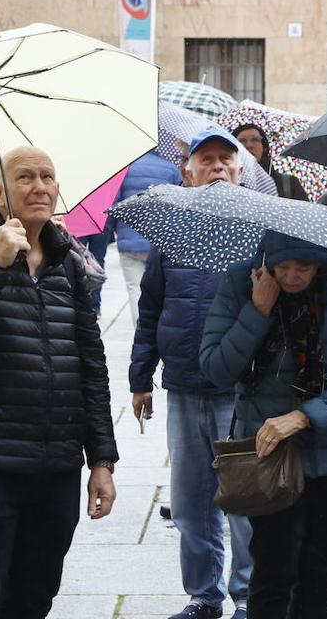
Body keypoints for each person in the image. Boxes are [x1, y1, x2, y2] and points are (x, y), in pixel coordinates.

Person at [0, 146, 118, 617]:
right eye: (25, 177)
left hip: (56, 461)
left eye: (48, 176)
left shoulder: (67, 260)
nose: (40, 186)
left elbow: (91, 362)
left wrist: (103, 459)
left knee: (36, 592)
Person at [199, 231, 327, 619]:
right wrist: (258, 311)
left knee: (324, 568)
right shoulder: (241, 284)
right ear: (267, 263)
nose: (294, 277)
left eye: (305, 268)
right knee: (273, 571)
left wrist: (303, 416)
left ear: (321, 265)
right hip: (270, 454)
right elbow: (216, 368)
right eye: (284, 268)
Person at [131, 127, 253, 619]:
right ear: (188, 171)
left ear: (241, 172)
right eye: (207, 160)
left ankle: (248, 596)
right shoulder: (172, 232)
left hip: (241, 390)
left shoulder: (258, 231)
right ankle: (204, 596)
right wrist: (141, 375)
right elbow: (151, 306)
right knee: (190, 502)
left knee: (245, 497)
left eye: (227, 159)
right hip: (183, 386)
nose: (218, 166)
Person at [114, 151, 182, 326]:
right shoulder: (171, 169)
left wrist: (115, 228)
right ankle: (158, 329)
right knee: (161, 290)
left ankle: (140, 329)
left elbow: (114, 203)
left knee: (135, 289)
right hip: (161, 240)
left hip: (129, 239)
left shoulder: (124, 168)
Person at [233, 123, 309, 202]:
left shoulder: (289, 184)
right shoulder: (226, 181)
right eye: (242, 141)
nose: (249, 145)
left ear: (264, 148)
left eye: (255, 140)